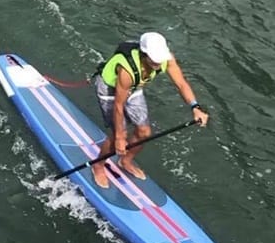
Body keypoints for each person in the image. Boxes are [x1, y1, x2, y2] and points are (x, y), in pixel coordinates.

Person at [89, 32, 209, 186]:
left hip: (134, 88)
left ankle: (125, 161)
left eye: (160, 60)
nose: (158, 64)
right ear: (143, 54)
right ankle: (98, 165)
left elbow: (181, 84)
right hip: (111, 90)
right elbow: (119, 105)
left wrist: (195, 107)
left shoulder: (166, 59)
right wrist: (120, 137)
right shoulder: (127, 70)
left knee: (144, 132)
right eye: (154, 60)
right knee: (118, 134)